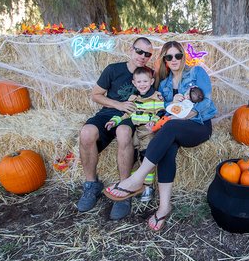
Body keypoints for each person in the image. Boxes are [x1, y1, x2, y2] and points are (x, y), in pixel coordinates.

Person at [104, 41, 217, 231]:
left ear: (183, 56)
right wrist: (167, 107)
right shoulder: (163, 84)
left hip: (198, 125)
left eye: (178, 55)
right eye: (169, 57)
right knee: (168, 145)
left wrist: (189, 112)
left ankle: (136, 179)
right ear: (165, 60)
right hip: (174, 126)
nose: (174, 60)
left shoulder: (197, 73)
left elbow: (206, 101)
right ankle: (164, 206)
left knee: (170, 127)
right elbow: (162, 109)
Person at [77, 37, 153, 220]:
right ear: (131, 49)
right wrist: (117, 105)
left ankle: (124, 189)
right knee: (86, 133)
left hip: (130, 117)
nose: (142, 56)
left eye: (147, 54)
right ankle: (91, 185)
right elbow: (95, 94)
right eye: (139, 51)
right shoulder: (113, 69)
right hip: (108, 112)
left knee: (124, 132)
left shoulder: (150, 75)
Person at [104, 66, 166, 202]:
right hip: (136, 131)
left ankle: (148, 186)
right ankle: (135, 184)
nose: (142, 85)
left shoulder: (156, 97)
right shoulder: (134, 98)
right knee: (133, 155)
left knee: (146, 156)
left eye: (145, 81)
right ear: (134, 83)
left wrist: (154, 122)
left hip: (148, 131)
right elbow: (126, 114)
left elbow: (161, 112)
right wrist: (114, 121)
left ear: (151, 81)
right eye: (139, 82)